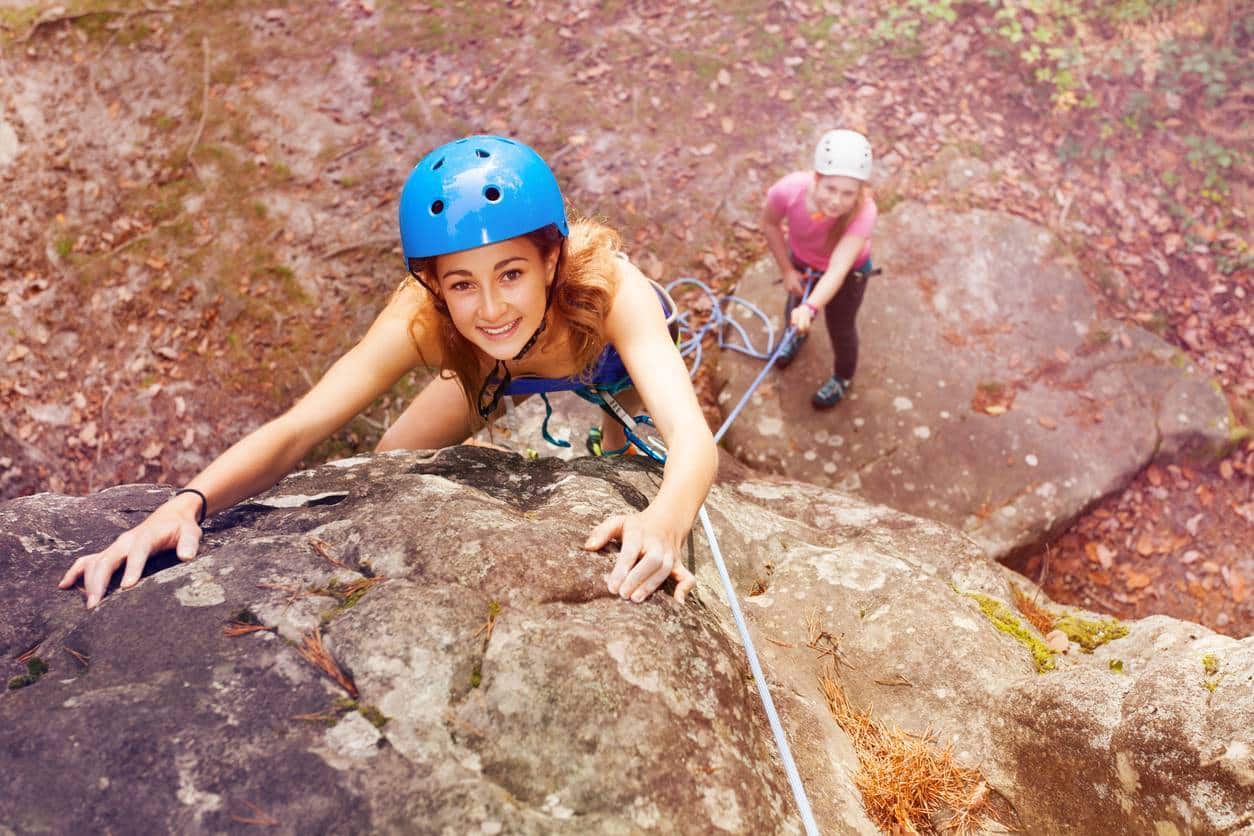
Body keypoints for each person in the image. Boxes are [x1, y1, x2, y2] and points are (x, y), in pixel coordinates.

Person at [59, 135, 716, 609]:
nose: (490, 307)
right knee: (390, 463)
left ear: (551, 259)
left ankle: (605, 440)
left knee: (626, 457)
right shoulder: (425, 319)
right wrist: (184, 504)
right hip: (496, 372)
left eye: (511, 273)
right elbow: (301, 428)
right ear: (432, 284)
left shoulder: (611, 290)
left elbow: (692, 442)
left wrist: (664, 520)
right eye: (462, 284)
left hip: (603, 360)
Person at [760, 129, 878, 409]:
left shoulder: (865, 211)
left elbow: (838, 268)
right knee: (794, 307)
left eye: (848, 193)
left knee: (841, 327)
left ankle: (843, 377)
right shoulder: (788, 191)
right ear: (816, 178)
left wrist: (811, 308)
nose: (836, 201)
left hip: (849, 273)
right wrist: (787, 270)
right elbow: (769, 225)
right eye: (830, 188)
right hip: (801, 261)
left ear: (860, 191)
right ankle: (796, 336)